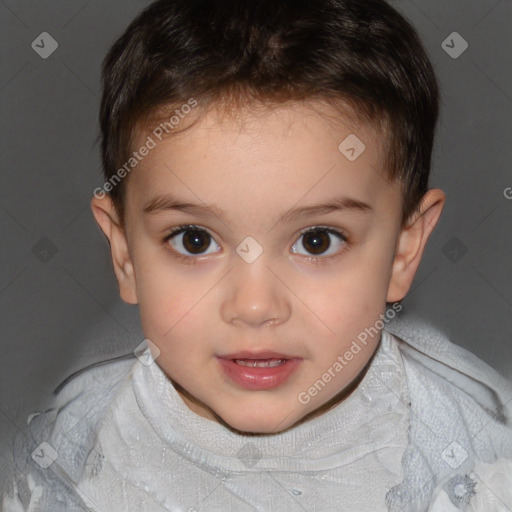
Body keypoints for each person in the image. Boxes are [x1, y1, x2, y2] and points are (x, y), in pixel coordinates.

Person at [3, 0, 512, 510]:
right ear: (125, 253)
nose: (254, 306)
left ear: (404, 251)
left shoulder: (478, 464)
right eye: (194, 240)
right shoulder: (65, 457)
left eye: (317, 241)